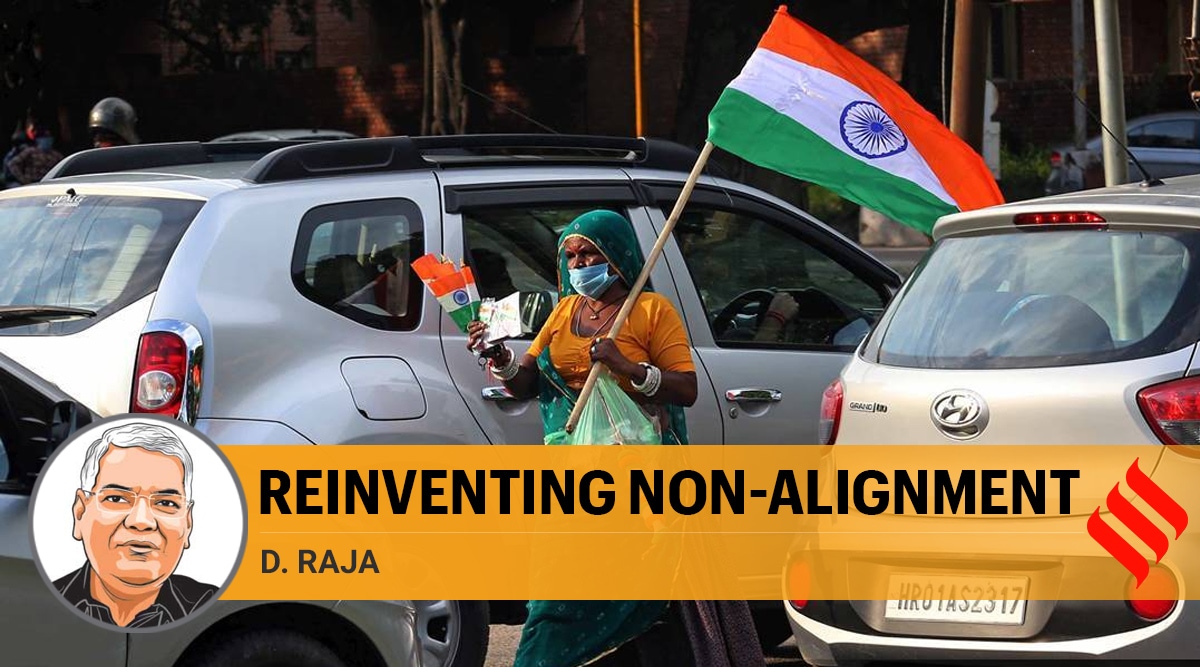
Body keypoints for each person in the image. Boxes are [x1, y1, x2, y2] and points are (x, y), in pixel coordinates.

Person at [466, 209, 764, 667]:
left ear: (618, 256)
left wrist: (627, 367)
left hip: (638, 482)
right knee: (556, 594)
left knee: (642, 594)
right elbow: (526, 383)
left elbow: (686, 389)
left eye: (590, 254)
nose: (579, 264)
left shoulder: (650, 311)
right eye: (571, 256)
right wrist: (499, 356)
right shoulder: (565, 311)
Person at [55, 422, 216, 628]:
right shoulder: (38, 596)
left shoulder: (217, 606)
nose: (141, 521)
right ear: (80, 513)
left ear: (188, 523)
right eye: (116, 499)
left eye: (166, 503)